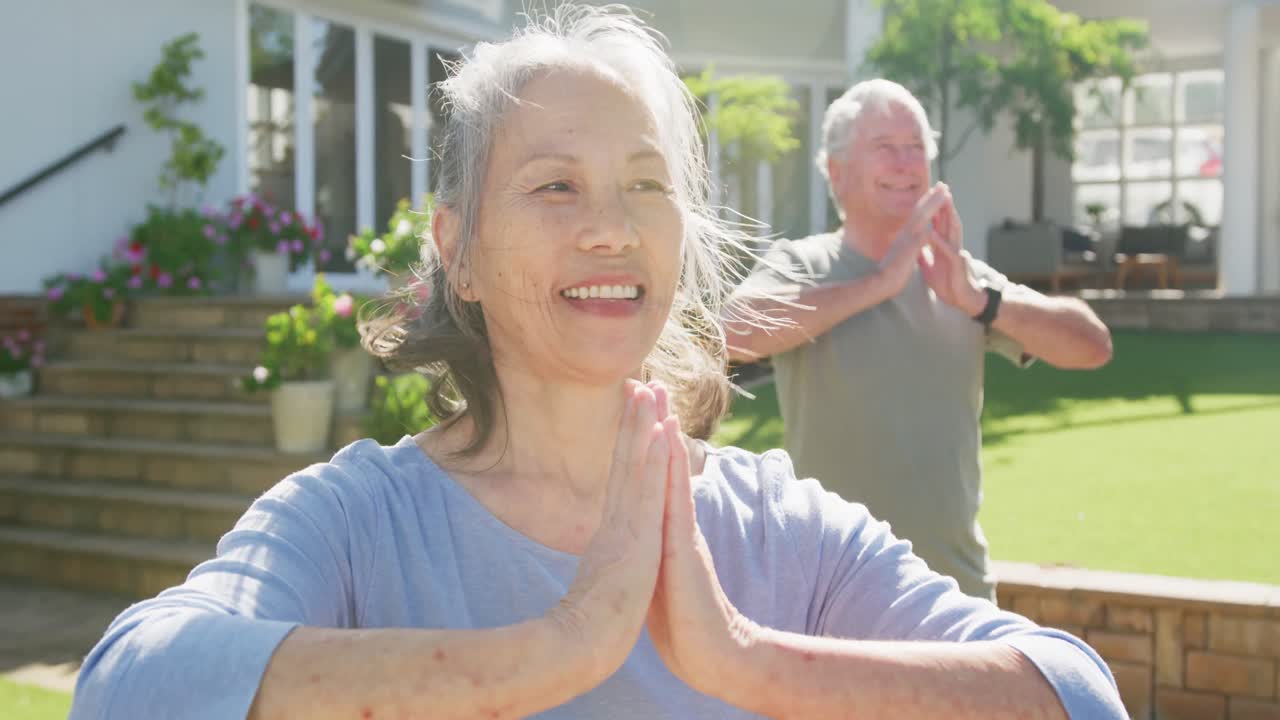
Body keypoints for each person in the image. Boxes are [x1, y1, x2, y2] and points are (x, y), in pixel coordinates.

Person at [71, 7, 1126, 719]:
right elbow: (125, 689)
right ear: (458, 253)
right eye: (553, 187)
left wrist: (744, 662)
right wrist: (562, 646)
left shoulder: (778, 527)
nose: (612, 230)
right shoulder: (356, 523)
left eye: (644, 184)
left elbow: (1075, 692)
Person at [726, 79, 1114, 601]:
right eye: (885, 147)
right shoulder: (804, 265)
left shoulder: (958, 277)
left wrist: (982, 302)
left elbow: (1092, 345)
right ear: (836, 173)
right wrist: (876, 285)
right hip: (830, 597)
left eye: (916, 150)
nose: (906, 164)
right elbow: (731, 332)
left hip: (955, 595)